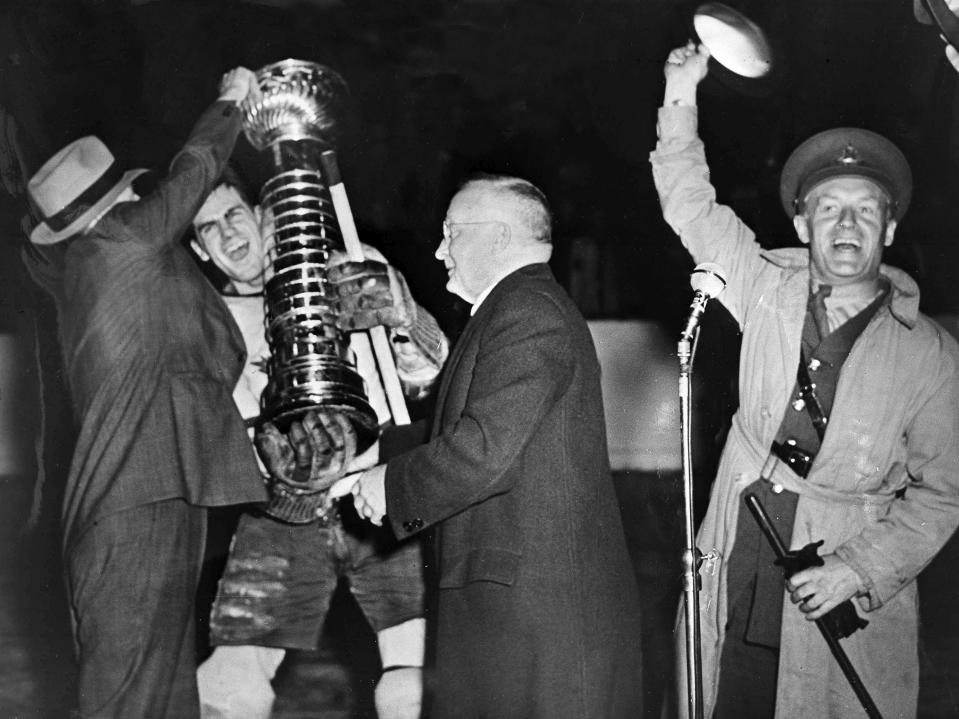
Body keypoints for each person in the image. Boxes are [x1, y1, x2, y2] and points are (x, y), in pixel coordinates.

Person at [650, 43, 959, 719]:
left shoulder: (931, 354)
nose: (845, 224)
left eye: (865, 210)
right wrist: (680, 95)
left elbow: (942, 496)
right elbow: (691, 209)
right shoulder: (763, 285)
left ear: (889, 228)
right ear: (801, 224)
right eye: (828, 208)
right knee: (719, 691)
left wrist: (859, 568)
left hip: (839, 567)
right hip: (737, 539)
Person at [347, 173, 644, 719]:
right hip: (516, 608)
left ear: (500, 238)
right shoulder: (513, 310)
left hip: (535, 615)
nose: (440, 251)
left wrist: (388, 485)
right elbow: (457, 427)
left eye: (452, 233)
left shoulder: (528, 312)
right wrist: (374, 456)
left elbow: (483, 448)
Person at [22, 69, 268, 718]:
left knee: (162, 696)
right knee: (129, 703)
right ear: (119, 203)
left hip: (150, 502)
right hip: (133, 510)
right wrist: (231, 101)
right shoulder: (119, 241)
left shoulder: (95, 270)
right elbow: (197, 168)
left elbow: (203, 344)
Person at [188, 171, 449, 719]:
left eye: (234, 214)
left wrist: (403, 320)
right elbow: (217, 442)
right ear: (198, 247)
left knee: (411, 680)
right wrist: (268, 462)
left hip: (379, 492)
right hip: (286, 508)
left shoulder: (347, 264)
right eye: (209, 228)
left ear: (262, 214)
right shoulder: (207, 323)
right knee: (229, 684)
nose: (229, 234)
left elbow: (432, 374)